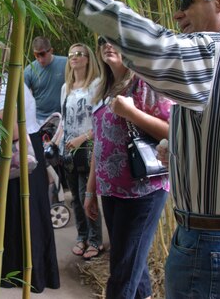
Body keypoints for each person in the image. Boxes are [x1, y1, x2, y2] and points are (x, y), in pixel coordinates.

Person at [37, 0, 220, 299]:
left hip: (212, 243)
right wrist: (179, 148)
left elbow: (152, 45)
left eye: (187, 3)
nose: (178, 15)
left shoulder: (217, 53)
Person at [84, 36, 173, 298]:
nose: (108, 44)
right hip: (111, 190)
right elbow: (99, 145)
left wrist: (132, 113)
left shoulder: (146, 84)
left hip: (143, 190)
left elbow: (175, 132)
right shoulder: (102, 88)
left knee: (122, 270)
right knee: (132, 262)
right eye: (103, 40)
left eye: (116, 39)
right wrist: (91, 190)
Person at [0, 72, 61, 293]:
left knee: (24, 214)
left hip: (20, 154)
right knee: (10, 214)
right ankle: (11, 271)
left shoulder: (11, 83)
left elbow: (14, 122)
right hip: (11, 153)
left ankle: (26, 273)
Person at [55, 43, 104, 260]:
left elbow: (101, 122)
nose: (74, 57)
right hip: (68, 149)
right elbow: (64, 120)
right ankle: (81, 236)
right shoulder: (66, 87)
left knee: (88, 195)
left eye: (79, 54)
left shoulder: (96, 85)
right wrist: (57, 141)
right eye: (71, 54)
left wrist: (81, 139)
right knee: (74, 197)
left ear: (87, 58)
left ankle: (95, 239)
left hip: (87, 148)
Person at [24, 36, 67, 125]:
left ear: (51, 51)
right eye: (36, 55)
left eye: (42, 54)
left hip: (63, 116)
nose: (40, 59)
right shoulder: (29, 70)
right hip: (39, 119)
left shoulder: (66, 64)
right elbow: (22, 96)